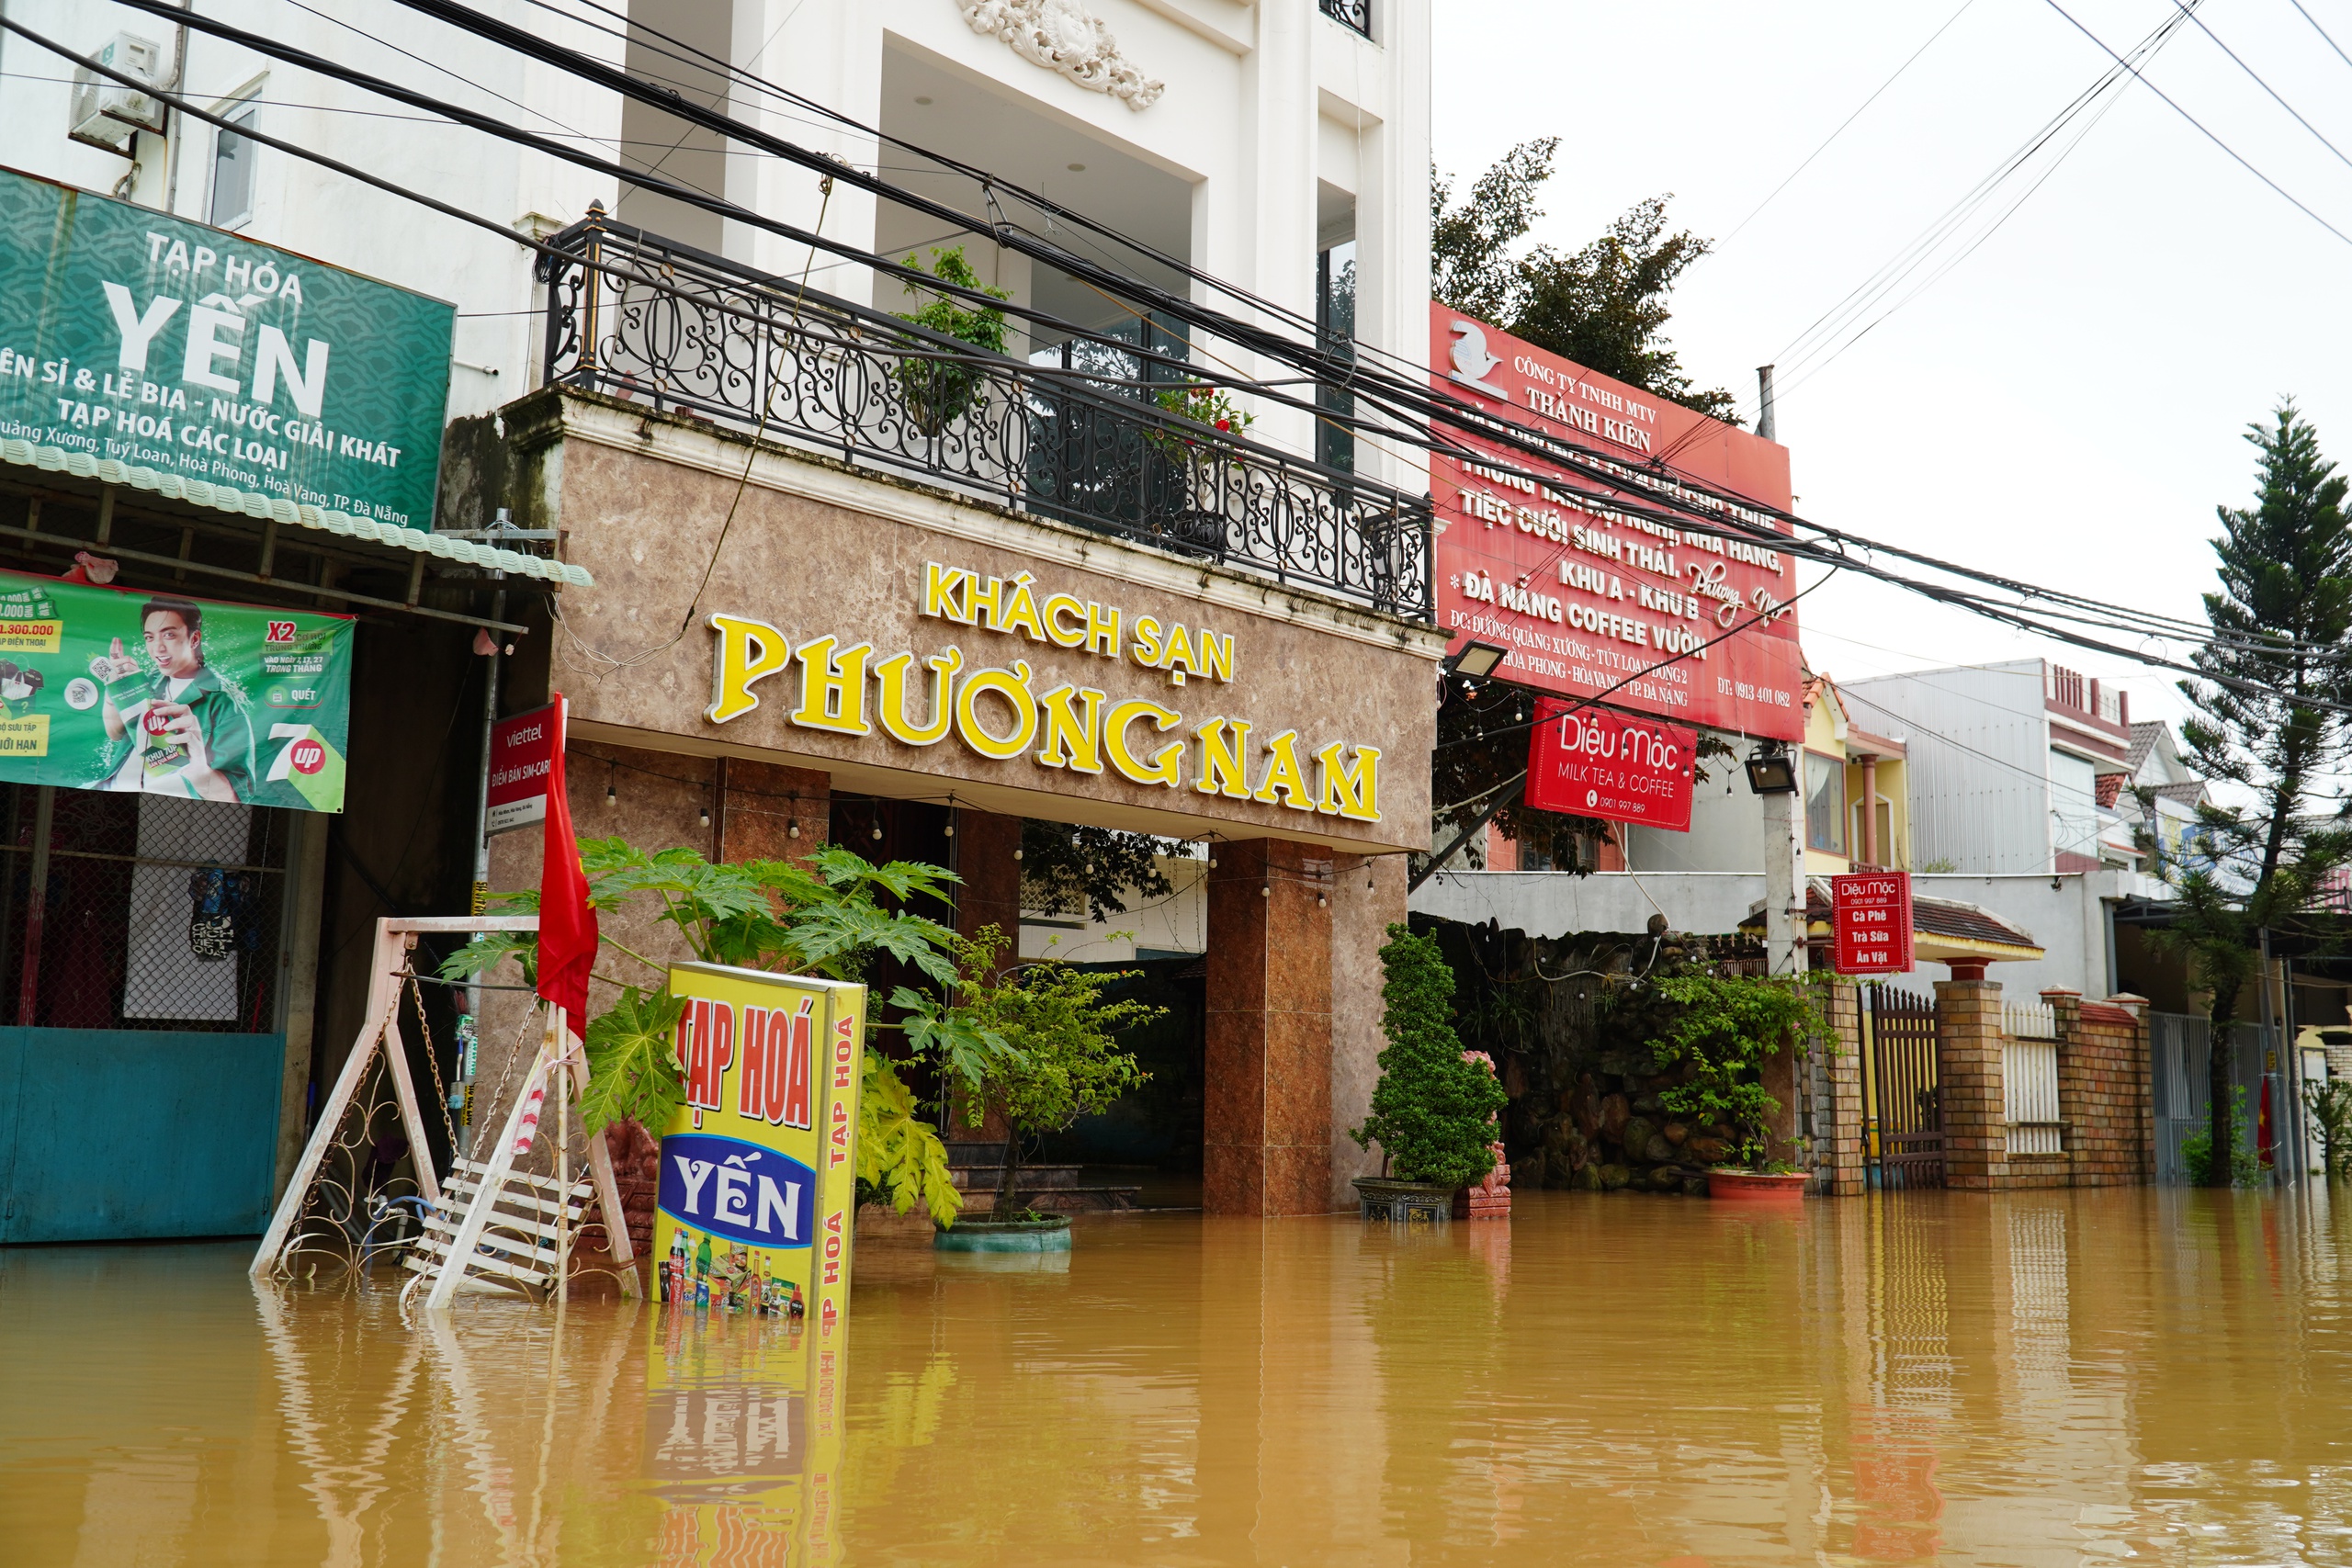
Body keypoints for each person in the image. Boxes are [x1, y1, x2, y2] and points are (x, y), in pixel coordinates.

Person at [95, 597, 257, 802]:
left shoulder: (223, 705)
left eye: (169, 635)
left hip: (167, 805)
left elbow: (238, 795)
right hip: (112, 790)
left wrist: (198, 768)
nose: (158, 648)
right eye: (150, 637)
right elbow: (116, 733)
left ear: (195, 639)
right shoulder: (148, 680)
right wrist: (115, 692)